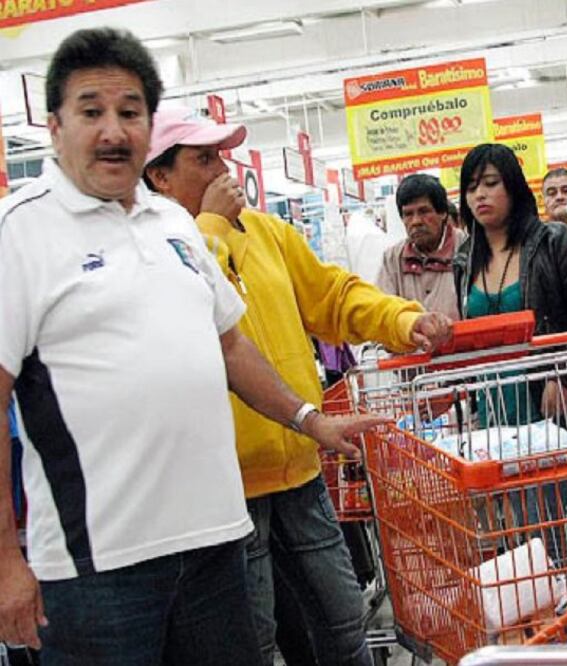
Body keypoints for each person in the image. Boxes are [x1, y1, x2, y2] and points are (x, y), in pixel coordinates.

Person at [0, 27, 391, 665]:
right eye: (90, 110)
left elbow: (231, 344)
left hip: (215, 546)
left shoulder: (174, 224)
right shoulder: (20, 231)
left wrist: (311, 420)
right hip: (98, 569)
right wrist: (5, 562)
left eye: (129, 112)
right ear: (54, 125)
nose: (112, 129)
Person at [143, 108, 452, 666]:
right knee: (251, 643)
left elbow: (332, 297)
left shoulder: (267, 233)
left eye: (222, 154)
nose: (223, 169)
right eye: (203, 158)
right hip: (226, 490)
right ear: (159, 177)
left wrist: (403, 320)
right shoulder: (156, 250)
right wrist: (210, 226)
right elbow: (191, 317)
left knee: (343, 624)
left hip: (302, 466)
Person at [453, 143, 567, 563]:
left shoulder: (550, 240)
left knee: (547, 517)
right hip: (494, 404)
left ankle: (560, 602)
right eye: (470, 188)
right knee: (514, 521)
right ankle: (540, 602)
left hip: (550, 399)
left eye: (490, 184)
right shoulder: (466, 257)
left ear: (514, 189)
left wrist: (563, 374)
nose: (479, 196)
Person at [376, 173, 466, 320]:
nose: (416, 221)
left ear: (443, 213)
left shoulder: (467, 248)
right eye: (408, 214)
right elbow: (383, 314)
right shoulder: (392, 259)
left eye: (424, 211)